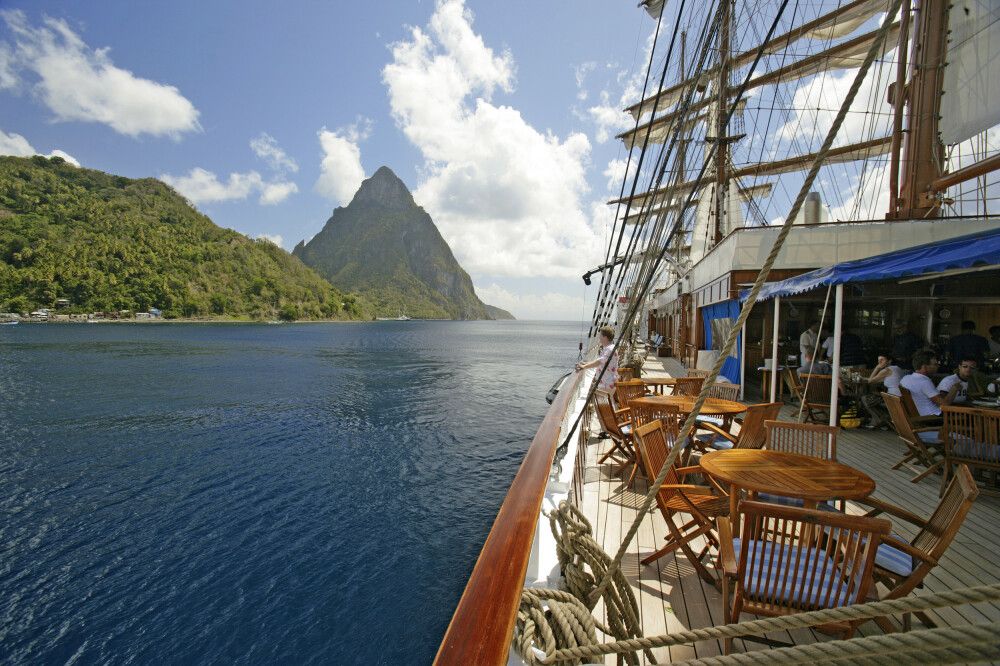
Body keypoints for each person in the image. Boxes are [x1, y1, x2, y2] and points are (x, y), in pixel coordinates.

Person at [899, 350, 957, 419]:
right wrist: (954, 388)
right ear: (924, 367)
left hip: (919, 416)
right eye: (935, 364)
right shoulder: (924, 382)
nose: (938, 366)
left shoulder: (905, 378)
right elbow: (945, 405)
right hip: (932, 418)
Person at [860, 353, 906, 428]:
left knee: (865, 398)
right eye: (878, 361)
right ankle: (883, 419)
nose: (879, 363)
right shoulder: (896, 368)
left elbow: (870, 381)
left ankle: (880, 419)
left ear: (889, 361)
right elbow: (877, 379)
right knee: (875, 397)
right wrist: (864, 378)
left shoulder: (886, 370)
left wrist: (877, 368)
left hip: (893, 399)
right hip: (900, 397)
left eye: (882, 360)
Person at [576, 325, 619, 391]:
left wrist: (584, 366)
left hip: (607, 383)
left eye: (600, 336)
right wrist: (586, 363)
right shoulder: (610, 348)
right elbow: (600, 361)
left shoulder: (609, 350)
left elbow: (599, 362)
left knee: (604, 400)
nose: (599, 338)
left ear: (605, 337)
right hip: (607, 382)